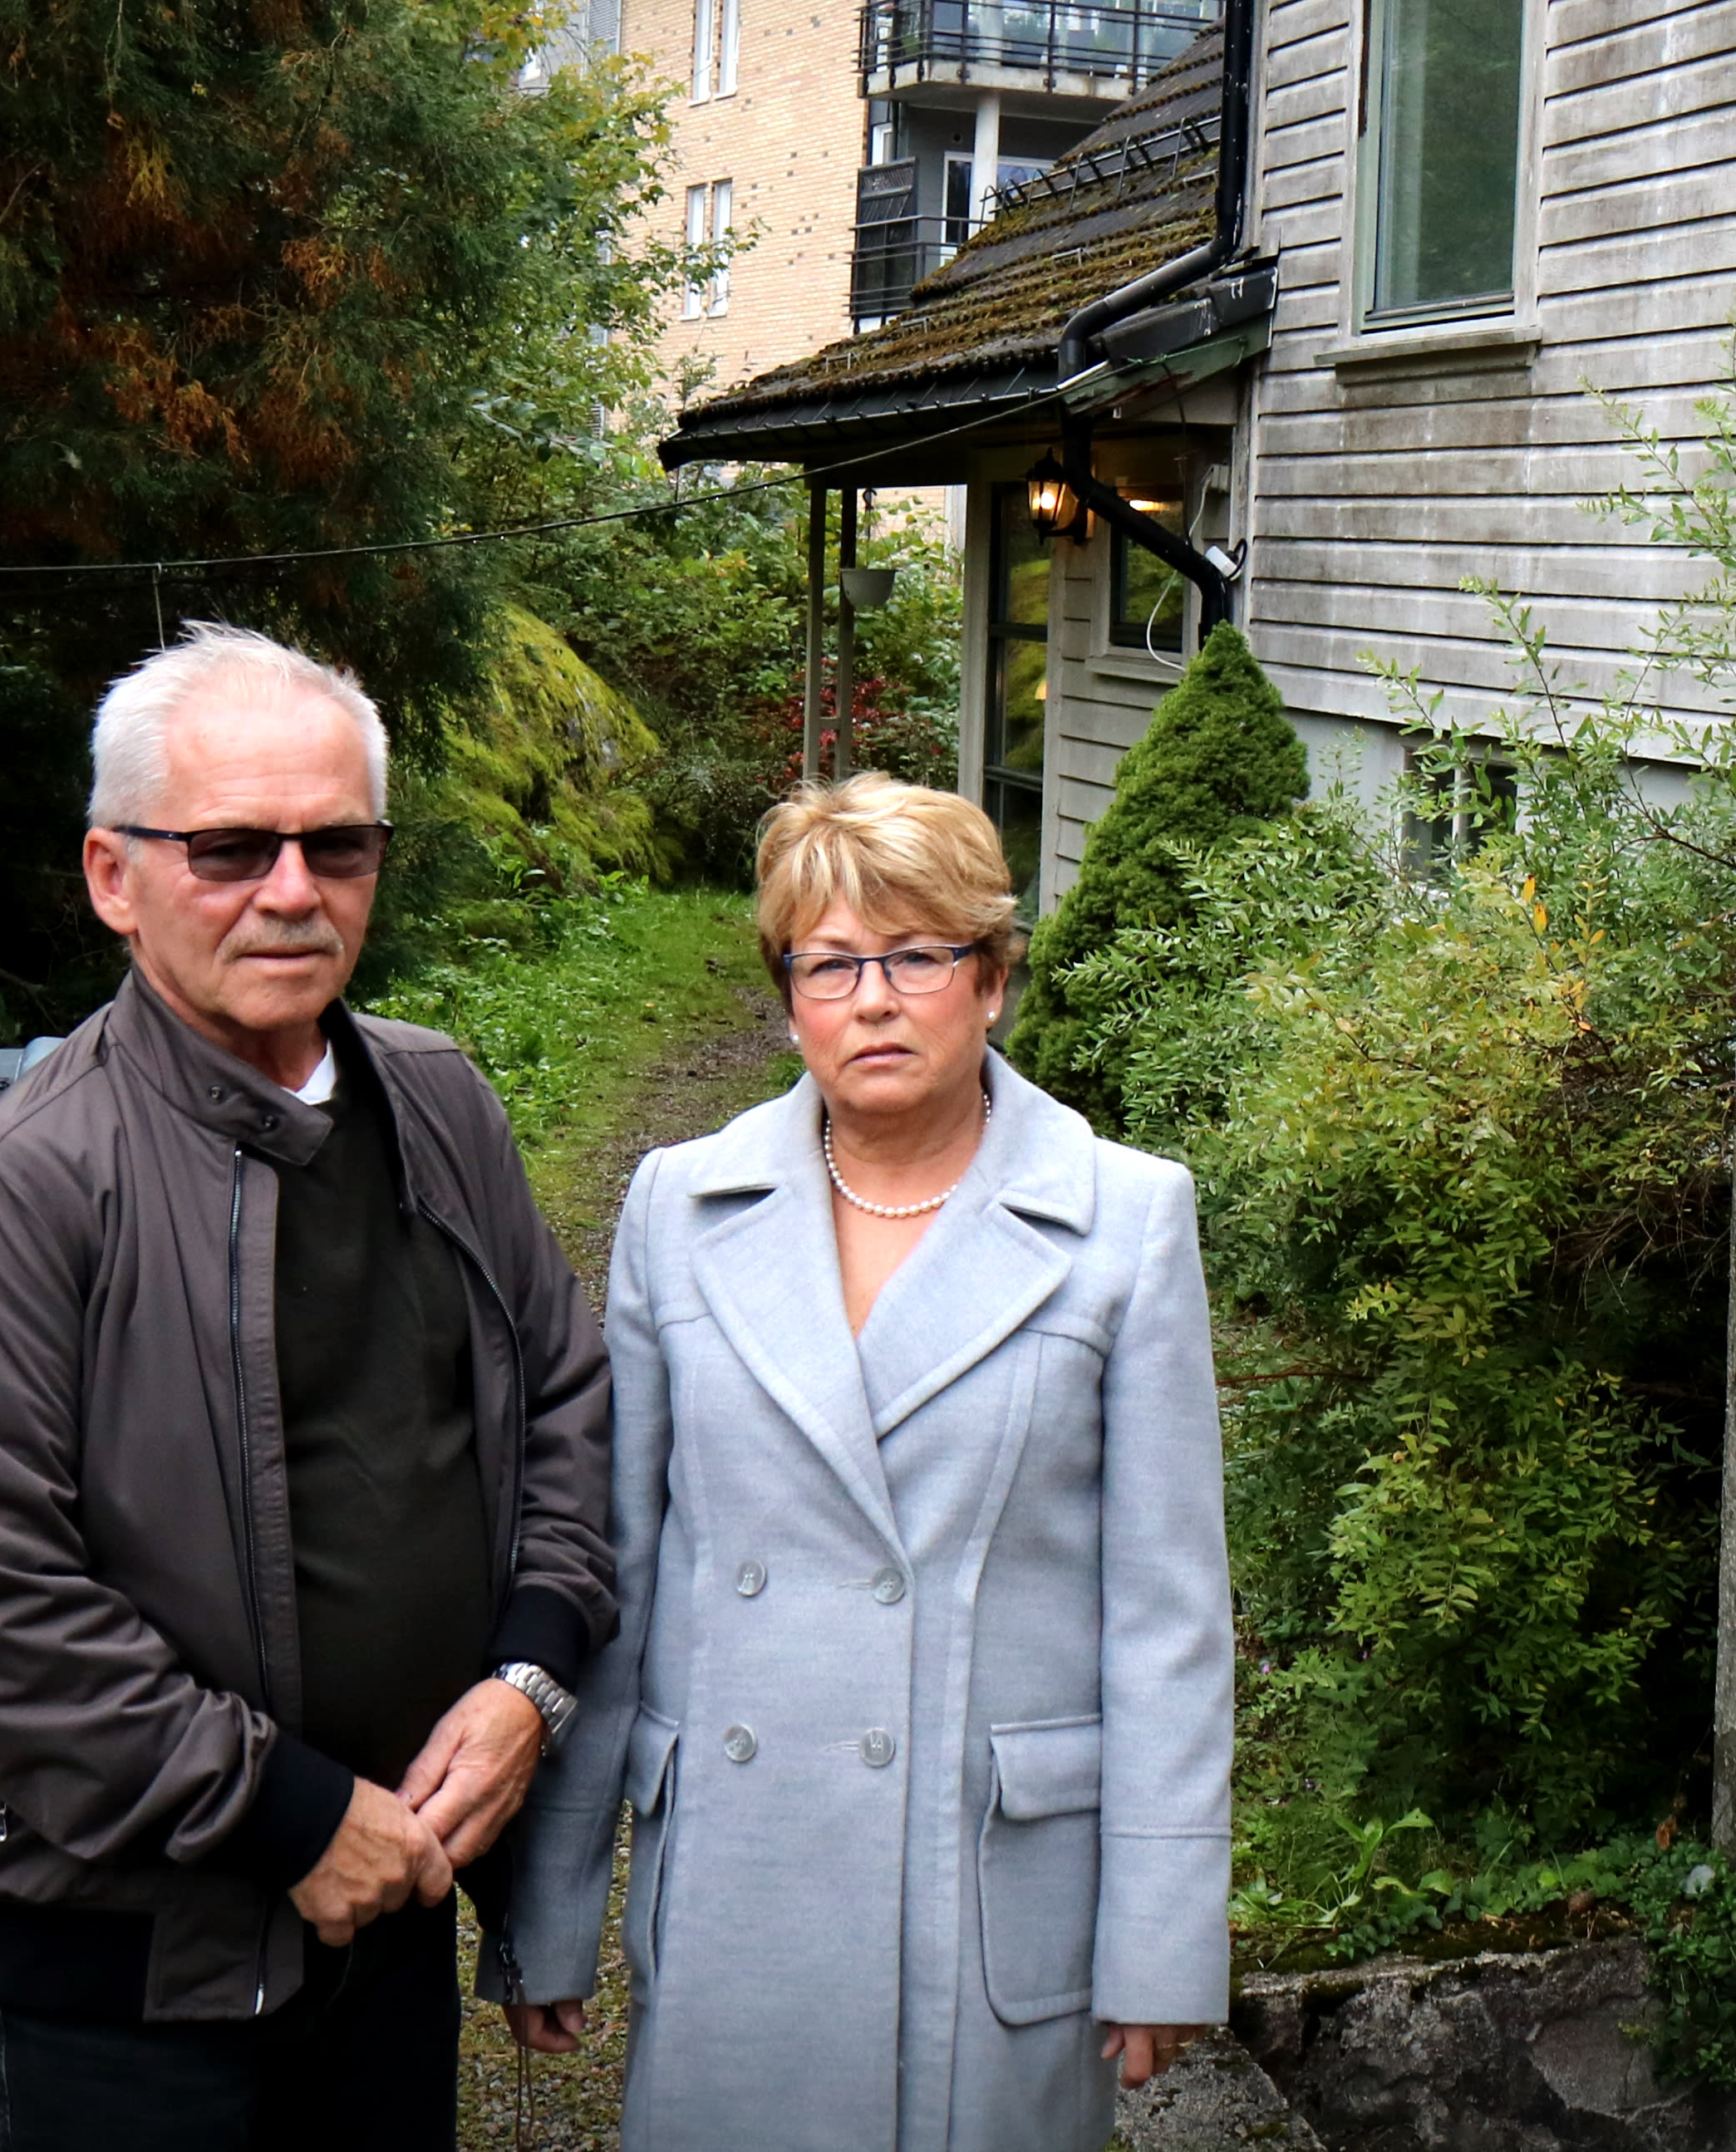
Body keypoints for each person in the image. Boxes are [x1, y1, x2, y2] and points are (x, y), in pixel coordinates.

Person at [0, 624, 613, 2152]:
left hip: (390, 1909)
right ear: (112, 876)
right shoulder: (18, 1186)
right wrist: (289, 1818)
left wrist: (530, 1678)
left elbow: (561, 1402)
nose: (291, 891)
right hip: (130, 1977)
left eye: (337, 845)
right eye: (228, 849)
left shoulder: (437, 1101)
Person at [495, 772, 1232, 2149]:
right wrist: (551, 1906)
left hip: (979, 1899)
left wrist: (1163, 1934)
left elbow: (1167, 1620)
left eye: (918, 956)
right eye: (830, 964)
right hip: (738, 1881)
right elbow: (622, 1576)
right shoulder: (678, 1208)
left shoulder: (1123, 1222)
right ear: (789, 999)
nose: (874, 1000)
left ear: (992, 980)